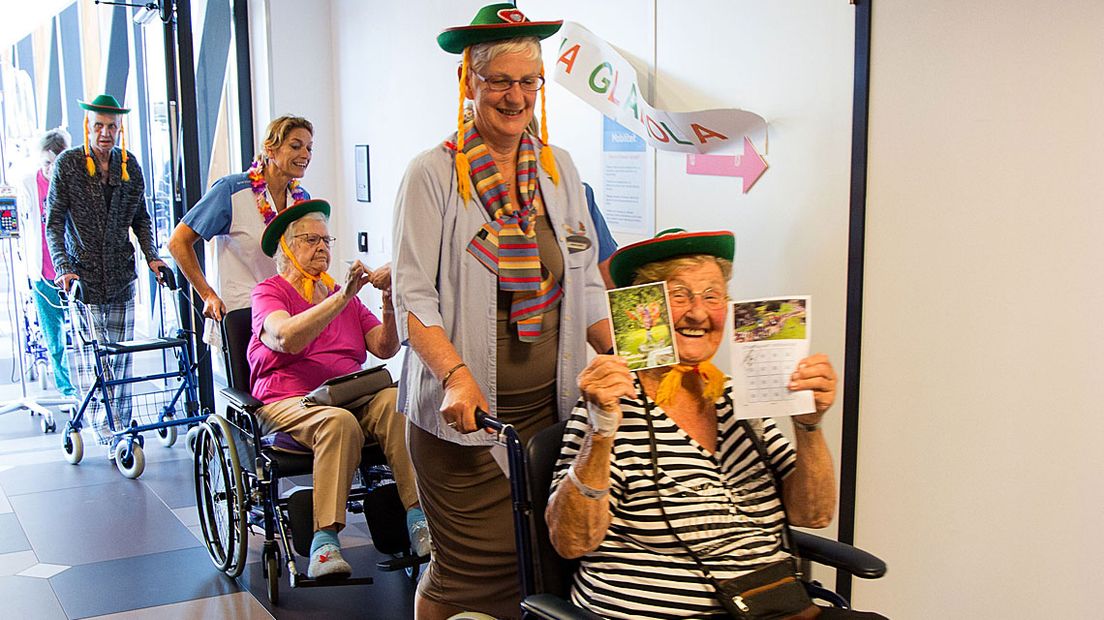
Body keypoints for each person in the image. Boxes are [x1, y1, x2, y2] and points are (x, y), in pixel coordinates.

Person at [391, 4, 612, 618]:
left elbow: (586, 277)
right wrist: (456, 376)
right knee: (466, 577)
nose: (516, 96)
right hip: (462, 419)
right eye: (501, 82)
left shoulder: (557, 167)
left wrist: (627, 355)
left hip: (548, 415)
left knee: (541, 568)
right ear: (470, 83)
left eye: (528, 81)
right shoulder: (432, 175)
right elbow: (414, 298)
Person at [546, 229, 885, 619]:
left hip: (771, 604)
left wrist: (809, 426)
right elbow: (571, 541)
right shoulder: (608, 406)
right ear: (642, 309)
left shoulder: (738, 400)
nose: (698, 312)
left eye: (712, 295)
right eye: (678, 295)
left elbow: (814, 514)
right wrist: (602, 432)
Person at [248, 199, 428, 579]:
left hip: (347, 394)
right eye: (311, 239)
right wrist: (342, 296)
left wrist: (388, 304)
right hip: (287, 400)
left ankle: (418, 518)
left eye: (326, 240)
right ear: (286, 248)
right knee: (338, 423)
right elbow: (285, 339)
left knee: (398, 400)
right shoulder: (270, 292)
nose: (322, 248)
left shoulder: (338, 293)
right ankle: (324, 542)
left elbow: (383, 346)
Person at [46, 94, 167, 451]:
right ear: (88, 127)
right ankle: (107, 427)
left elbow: (142, 219)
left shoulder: (129, 167)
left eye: (111, 126)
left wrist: (152, 257)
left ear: (119, 130)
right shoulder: (68, 166)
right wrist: (64, 268)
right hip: (81, 279)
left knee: (120, 358)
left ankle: (118, 428)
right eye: (98, 125)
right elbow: (53, 223)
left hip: (120, 278)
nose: (105, 132)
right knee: (94, 359)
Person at [168, 115, 314, 345]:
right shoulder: (231, 190)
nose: (305, 154)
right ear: (270, 149)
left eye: (309, 148)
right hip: (243, 313)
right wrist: (207, 295)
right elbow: (178, 242)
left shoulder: (301, 199)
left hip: (286, 314)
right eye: (296, 146)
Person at [19, 128, 75, 398]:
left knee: (83, 332)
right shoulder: (29, 184)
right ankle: (66, 388)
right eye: (46, 163)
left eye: (57, 162)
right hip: (43, 271)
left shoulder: (74, 182)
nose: (52, 169)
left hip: (74, 271)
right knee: (54, 337)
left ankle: (92, 386)